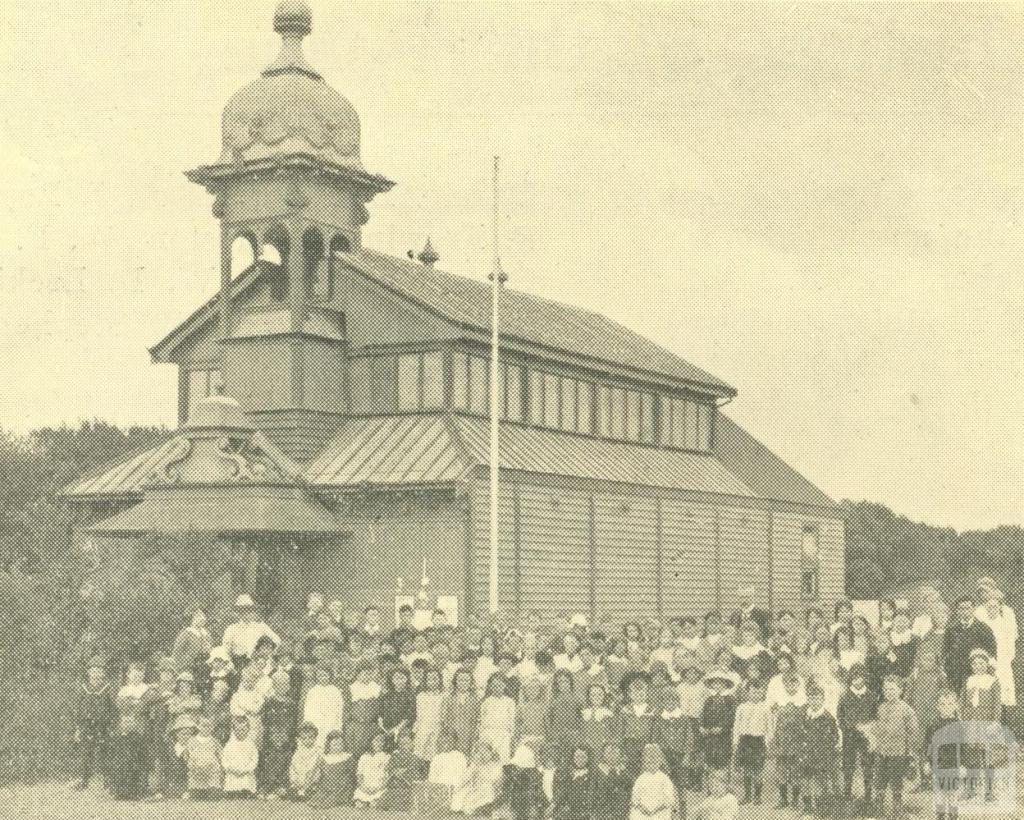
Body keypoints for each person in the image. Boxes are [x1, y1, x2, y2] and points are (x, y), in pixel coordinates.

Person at [873, 674, 921, 818]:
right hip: (882, 752)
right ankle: (879, 811)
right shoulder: (880, 707)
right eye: (886, 689)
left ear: (900, 690)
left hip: (899, 753)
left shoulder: (906, 709)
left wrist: (909, 750)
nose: (889, 692)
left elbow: (913, 731)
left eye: (893, 689)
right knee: (880, 781)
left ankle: (897, 812)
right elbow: (876, 728)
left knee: (896, 782)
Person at [108, 661, 154, 800]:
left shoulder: (147, 689)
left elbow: (146, 707)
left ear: (143, 675)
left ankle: (140, 789)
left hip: (141, 727)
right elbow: (120, 706)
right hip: (126, 726)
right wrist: (134, 703)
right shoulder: (123, 690)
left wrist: (136, 704)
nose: (137, 675)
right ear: (128, 675)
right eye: (134, 673)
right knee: (124, 756)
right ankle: (123, 790)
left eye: (140, 673)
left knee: (140, 757)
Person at [960, 649, 1002, 802]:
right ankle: (970, 789)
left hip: (986, 724)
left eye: (981, 663)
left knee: (987, 758)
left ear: (986, 664)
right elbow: (962, 702)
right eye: (975, 664)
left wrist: (995, 722)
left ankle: (989, 792)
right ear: (971, 665)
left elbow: (997, 704)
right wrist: (963, 721)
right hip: (971, 723)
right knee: (971, 758)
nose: (978, 666)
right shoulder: (968, 680)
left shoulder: (993, 681)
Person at [836, 663, 878, 811]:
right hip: (850, 735)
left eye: (860, 677)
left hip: (866, 736)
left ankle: (868, 796)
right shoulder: (845, 696)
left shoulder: (872, 696)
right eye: (853, 677)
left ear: (865, 678)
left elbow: (875, 715)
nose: (856, 681)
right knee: (848, 765)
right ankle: (847, 795)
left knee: (867, 765)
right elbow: (840, 715)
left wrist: (868, 728)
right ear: (850, 679)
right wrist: (848, 727)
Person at [74, 658, 116, 791]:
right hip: (86, 725)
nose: (96, 674)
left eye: (99, 671)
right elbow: (78, 709)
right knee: (86, 752)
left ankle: (108, 780)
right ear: (89, 672)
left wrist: (112, 724)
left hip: (103, 725)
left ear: (103, 673)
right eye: (94, 671)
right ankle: (83, 779)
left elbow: (113, 708)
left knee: (105, 751)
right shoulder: (83, 688)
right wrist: (78, 728)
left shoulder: (108, 689)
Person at [798, 684, 839, 816]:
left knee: (822, 782)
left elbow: (834, 737)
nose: (814, 702)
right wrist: (802, 749)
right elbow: (799, 734)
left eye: (817, 699)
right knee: (806, 781)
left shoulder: (828, 718)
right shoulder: (804, 716)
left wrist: (825, 749)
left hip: (822, 756)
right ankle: (807, 806)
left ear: (822, 700)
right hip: (806, 755)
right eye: (811, 699)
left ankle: (823, 808)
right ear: (807, 700)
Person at [974, 587, 1018, 711]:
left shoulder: (1005, 624)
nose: (992, 609)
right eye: (989, 607)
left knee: (1004, 692)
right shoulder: (984, 626)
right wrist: (989, 661)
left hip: (1003, 663)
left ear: (999, 607)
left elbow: (1010, 646)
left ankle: (1005, 718)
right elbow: (980, 645)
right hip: (988, 663)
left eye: (995, 606)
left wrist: (1003, 661)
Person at [943, 597, 997, 693]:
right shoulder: (951, 630)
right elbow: (945, 653)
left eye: (967, 608)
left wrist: (986, 672)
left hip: (977, 675)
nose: (964, 611)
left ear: (973, 609)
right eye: (961, 608)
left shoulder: (983, 629)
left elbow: (992, 654)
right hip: (956, 676)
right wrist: (949, 672)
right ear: (957, 611)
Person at [923, 690, 963, 820]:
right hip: (938, 765)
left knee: (953, 795)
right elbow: (928, 746)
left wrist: (964, 765)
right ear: (937, 706)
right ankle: (939, 817)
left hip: (954, 765)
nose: (946, 707)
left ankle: (953, 817)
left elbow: (965, 749)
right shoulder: (932, 726)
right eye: (943, 704)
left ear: (956, 705)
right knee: (939, 794)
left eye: (950, 704)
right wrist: (926, 762)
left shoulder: (961, 726)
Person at [261, 668, 298, 797]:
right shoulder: (268, 702)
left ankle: (282, 786)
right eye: (278, 684)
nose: (281, 687)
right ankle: (270, 786)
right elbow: (264, 719)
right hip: (271, 736)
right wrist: (273, 733)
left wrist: (286, 734)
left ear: (288, 686)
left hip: (287, 737)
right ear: (273, 685)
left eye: (284, 684)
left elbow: (293, 722)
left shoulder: (292, 703)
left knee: (285, 759)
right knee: (270, 760)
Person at [732, 682, 770, 805]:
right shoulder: (741, 707)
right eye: (753, 692)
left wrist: (767, 742)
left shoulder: (766, 707)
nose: (756, 694)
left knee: (758, 770)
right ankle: (747, 795)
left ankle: (757, 796)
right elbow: (737, 725)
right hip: (745, 740)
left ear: (762, 693)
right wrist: (736, 741)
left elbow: (770, 727)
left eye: (759, 692)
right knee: (746, 769)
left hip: (758, 740)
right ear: (747, 693)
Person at [220, 594, 280, 668]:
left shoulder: (261, 627)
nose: (245, 614)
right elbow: (225, 650)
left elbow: (277, 641)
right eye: (242, 611)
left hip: (260, 665)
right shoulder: (231, 629)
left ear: (252, 611)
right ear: (238, 612)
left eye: (248, 610)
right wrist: (230, 664)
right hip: (239, 664)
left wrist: (266, 656)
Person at [698, 668, 738, 774]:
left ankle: (724, 784)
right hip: (710, 733)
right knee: (710, 756)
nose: (717, 686)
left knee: (723, 758)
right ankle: (711, 785)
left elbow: (732, 716)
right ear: (711, 685)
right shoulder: (709, 700)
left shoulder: (730, 700)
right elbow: (703, 714)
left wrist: (722, 728)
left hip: (724, 735)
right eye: (715, 683)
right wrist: (702, 726)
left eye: (720, 683)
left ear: (725, 685)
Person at [451, 741, 504, 815]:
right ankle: (466, 809)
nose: (482, 755)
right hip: (474, 789)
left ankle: (483, 808)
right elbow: (465, 777)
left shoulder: (495, 765)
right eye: (479, 752)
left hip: (489, 790)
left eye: (486, 752)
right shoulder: (475, 765)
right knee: (460, 797)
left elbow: (495, 779)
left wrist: (480, 771)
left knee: (483, 797)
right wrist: (457, 787)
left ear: (491, 753)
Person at [629, 743, 679, 820]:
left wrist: (655, 811)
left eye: (655, 761)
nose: (651, 764)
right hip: (642, 813)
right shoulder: (640, 779)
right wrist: (643, 809)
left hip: (660, 812)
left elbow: (669, 799)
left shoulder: (664, 779)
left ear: (660, 762)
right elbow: (635, 798)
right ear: (644, 762)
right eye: (648, 762)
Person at [344, 660, 382, 758]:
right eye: (364, 674)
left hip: (371, 726)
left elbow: (379, 708)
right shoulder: (351, 688)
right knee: (355, 753)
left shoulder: (376, 688)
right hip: (355, 726)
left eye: (370, 674)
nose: (367, 676)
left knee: (370, 753)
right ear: (358, 674)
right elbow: (347, 709)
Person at [310, 730, 357, 808]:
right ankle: (322, 799)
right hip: (326, 785)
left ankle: (331, 801)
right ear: (329, 745)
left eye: (340, 744)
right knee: (317, 797)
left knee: (333, 798)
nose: (338, 747)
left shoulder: (348, 757)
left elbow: (353, 774)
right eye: (335, 744)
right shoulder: (324, 758)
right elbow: (318, 773)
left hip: (343, 785)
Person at [441, 668, 481, 756]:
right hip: (453, 733)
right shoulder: (449, 698)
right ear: (456, 682)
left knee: (468, 756)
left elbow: (478, 717)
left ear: (471, 682)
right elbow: (445, 717)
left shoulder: (475, 698)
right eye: (460, 680)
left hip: (469, 732)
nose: (463, 683)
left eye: (466, 680)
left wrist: (476, 730)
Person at [479, 672, 518, 762]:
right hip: (488, 733)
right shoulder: (486, 701)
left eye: (500, 685)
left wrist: (510, 735)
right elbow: (482, 719)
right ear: (490, 687)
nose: (497, 688)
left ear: (504, 685)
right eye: (494, 685)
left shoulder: (509, 701)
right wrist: (482, 734)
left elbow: (512, 720)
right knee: (487, 759)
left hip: (503, 734)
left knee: (502, 759)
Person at [182, 715, 223, 799]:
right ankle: (195, 791)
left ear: (212, 727)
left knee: (213, 796)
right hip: (196, 772)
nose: (206, 728)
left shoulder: (215, 741)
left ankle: (212, 790)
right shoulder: (191, 741)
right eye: (204, 725)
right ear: (198, 726)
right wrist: (192, 766)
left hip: (211, 772)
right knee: (197, 796)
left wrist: (219, 767)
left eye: (209, 726)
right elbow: (186, 756)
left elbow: (220, 756)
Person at [504, 740, 547, 820]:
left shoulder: (534, 773)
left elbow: (538, 792)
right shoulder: (532, 774)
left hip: (526, 806)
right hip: (523, 806)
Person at [380, 728, 419, 811]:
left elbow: (417, 771)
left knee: (406, 800)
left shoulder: (415, 757)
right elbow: (389, 767)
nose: (403, 746)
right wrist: (394, 771)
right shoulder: (395, 755)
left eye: (406, 743)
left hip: (409, 786)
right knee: (384, 801)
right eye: (401, 743)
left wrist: (404, 771)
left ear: (412, 744)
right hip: (394, 785)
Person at [552, 746, 595, 820]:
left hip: (588, 813)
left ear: (588, 758)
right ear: (572, 758)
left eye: (583, 757)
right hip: (570, 813)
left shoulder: (594, 775)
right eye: (577, 756)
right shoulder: (566, 775)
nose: (580, 760)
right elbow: (561, 793)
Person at [379, 666, 416, 752]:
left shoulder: (410, 695)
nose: (399, 681)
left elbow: (410, 716)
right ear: (391, 679)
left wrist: (397, 729)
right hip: (387, 729)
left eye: (402, 678)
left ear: (407, 679)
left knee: (403, 749)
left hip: (404, 729)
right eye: (396, 678)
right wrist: (384, 729)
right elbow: (380, 713)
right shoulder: (386, 695)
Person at [221, 715, 259, 798]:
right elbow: (224, 760)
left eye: (243, 730)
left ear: (248, 730)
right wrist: (231, 769)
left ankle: (246, 793)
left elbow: (254, 760)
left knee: (246, 786)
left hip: (246, 773)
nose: (240, 732)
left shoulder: (251, 745)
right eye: (237, 730)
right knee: (232, 787)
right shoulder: (229, 745)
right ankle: (232, 793)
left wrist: (246, 770)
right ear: (233, 730)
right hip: (232, 773)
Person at [592, 743, 632, 820]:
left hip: (620, 812)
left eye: (615, 753)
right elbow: (592, 792)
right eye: (609, 753)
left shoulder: (624, 772)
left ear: (620, 755)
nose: (612, 756)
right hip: (602, 812)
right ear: (603, 755)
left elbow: (631, 789)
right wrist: (593, 813)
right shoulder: (598, 772)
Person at [414, 666, 445, 765]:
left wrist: (442, 726)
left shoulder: (443, 696)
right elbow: (419, 715)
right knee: (420, 749)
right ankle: (419, 772)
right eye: (429, 679)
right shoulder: (421, 696)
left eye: (435, 679)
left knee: (434, 751)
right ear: (425, 681)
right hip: (424, 725)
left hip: (437, 726)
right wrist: (416, 729)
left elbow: (443, 714)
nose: (432, 681)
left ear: (439, 680)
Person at [172, 610, 213, 683]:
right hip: (190, 666)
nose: (202, 618)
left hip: (205, 665)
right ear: (192, 619)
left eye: (203, 616)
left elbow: (211, 647)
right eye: (198, 616)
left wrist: (209, 649)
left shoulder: (206, 633)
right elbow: (176, 652)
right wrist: (181, 667)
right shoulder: (186, 633)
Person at [353, 731, 390, 807]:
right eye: (376, 740)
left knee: (376, 803)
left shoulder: (386, 757)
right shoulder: (364, 757)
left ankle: (375, 802)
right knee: (359, 804)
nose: (379, 743)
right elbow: (359, 775)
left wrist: (379, 788)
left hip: (379, 787)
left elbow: (387, 776)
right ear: (371, 742)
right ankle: (363, 802)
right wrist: (363, 787)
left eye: (381, 741)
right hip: (365, 786)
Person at [288, 722, 323, 800]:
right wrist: (294, 779)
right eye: (304, 738)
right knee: (294, 776)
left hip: (312, 775)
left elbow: (317, 765)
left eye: (310, 737)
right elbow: (293, 765)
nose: (308, 740)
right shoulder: (299, 751)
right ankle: (298, 792)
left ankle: (308, 792)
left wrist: (311, 775)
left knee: (315, 776)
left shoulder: (318, 750)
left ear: (315, 738)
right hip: (300, 774)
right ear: (300, 739)